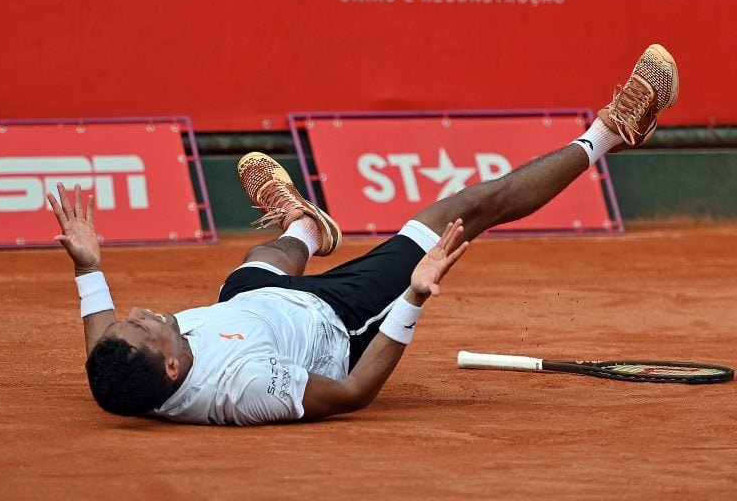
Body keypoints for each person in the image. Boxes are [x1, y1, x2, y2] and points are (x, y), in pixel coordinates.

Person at [49, 44, 678, 425]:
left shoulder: (128, 371)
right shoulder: (244, 388)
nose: (138, 312)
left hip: (247, 308)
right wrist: (412, 297)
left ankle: (304, 225)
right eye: (143, 325)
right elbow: (351, 391)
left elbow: (101, 347)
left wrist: (87, 267)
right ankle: (613, 130)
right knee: (468, 205)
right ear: (170, 364)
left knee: (260, 259)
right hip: (334, 316)